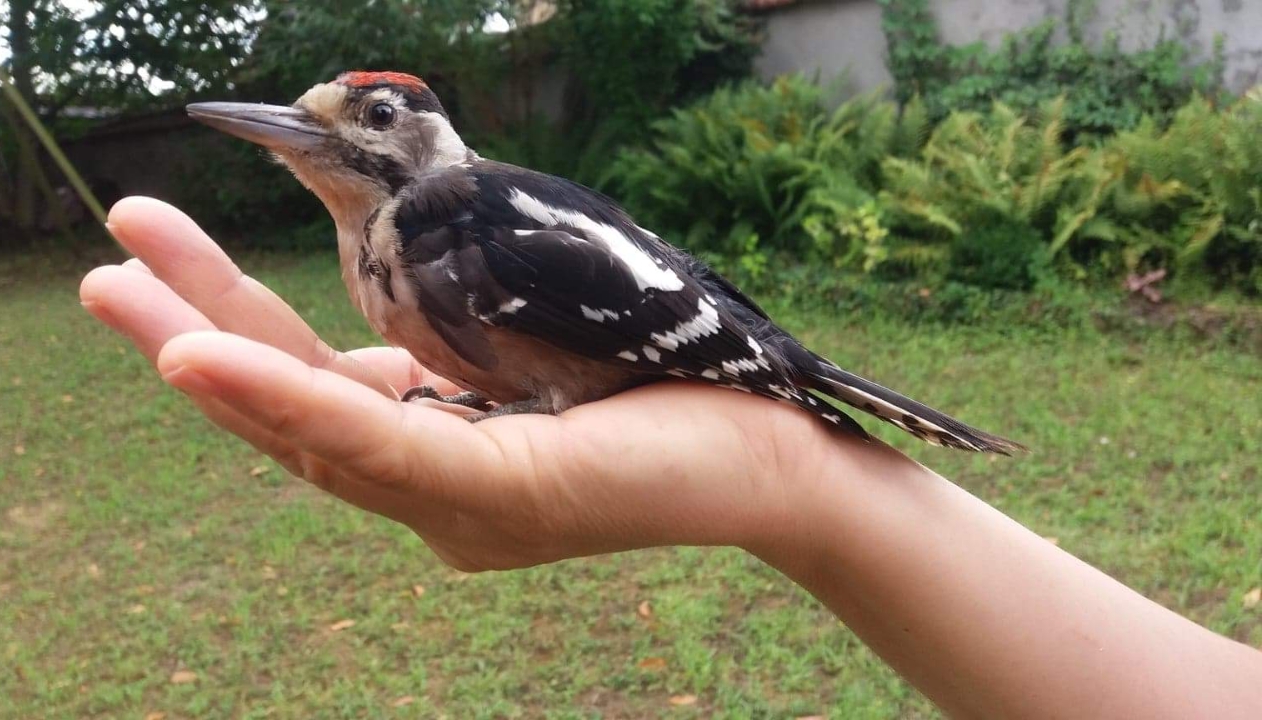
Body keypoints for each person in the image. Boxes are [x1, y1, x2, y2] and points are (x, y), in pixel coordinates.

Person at [81, 197, 1262, 718]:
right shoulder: (405, 242)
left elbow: (628, 293)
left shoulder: (446, 228)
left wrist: (533, 404)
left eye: (371, 120)